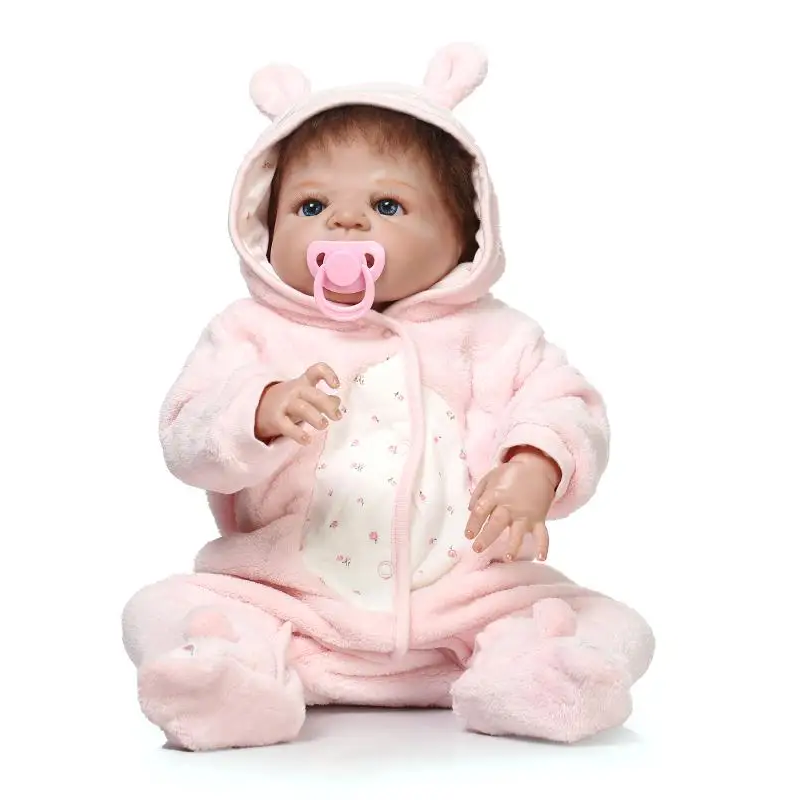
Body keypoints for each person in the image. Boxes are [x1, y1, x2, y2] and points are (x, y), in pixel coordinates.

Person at [122, 42, 655, 751]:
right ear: (264, 226)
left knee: (614, 623)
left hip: (466, 604)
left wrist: (536, 465)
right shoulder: (249, 332)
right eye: (311, 204)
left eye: (387, 204)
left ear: (466, 235)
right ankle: (235, 681)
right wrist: (258, 409)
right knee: (160, 607)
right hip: (293, 602)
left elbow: (567, 406)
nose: (344, 224)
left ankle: (532, 678)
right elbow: (185, 432)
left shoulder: (497, 335)